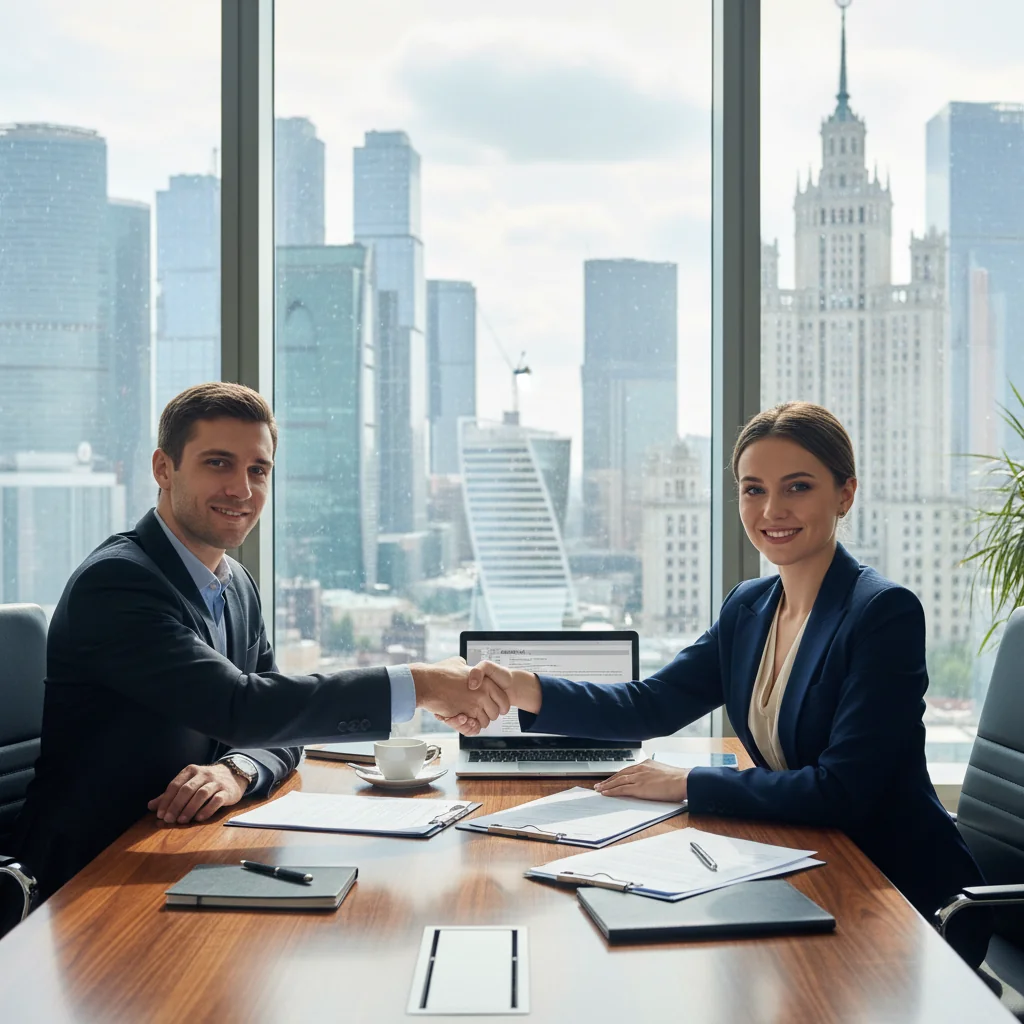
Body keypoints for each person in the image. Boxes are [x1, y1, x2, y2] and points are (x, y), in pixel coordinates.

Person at [466, 402, 983, 920]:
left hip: (900, 893)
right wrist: (519, 687)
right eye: (753, 489)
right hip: (808, 860)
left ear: (845, 493)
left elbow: (842, 790)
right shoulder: (748, 607)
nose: (771, 510)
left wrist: (687, 782)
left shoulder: (880, 613)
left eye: (797, 487)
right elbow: (651, 706)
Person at [12, 382, 507, 900]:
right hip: (93, 874)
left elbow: (280, 726)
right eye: (218, 464)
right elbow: (244, 707)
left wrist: (238, 769)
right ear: (163, 468)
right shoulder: (116, 583)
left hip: (187, 849)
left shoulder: (236, 584)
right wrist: (421, 684)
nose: (243, 491)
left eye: (258, 470)